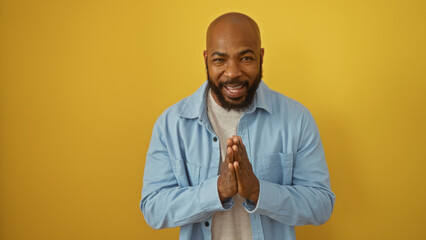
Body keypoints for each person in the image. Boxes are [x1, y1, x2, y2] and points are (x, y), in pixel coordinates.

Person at [140, 12, 335, 240]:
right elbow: (153, 209)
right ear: (206, 59)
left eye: (246, 58)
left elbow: (321, 205)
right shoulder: (171, 124)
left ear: (261, 56)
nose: (232, 73)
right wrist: (217, 191)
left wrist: (257, 191)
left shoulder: (296, 118)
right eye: (219, 60)